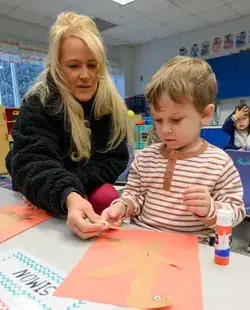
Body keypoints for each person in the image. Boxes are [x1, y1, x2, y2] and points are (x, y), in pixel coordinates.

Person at [5, 12, 131, 240]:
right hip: (44, 183)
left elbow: (114, 159)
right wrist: (68, 194)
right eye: (74, 66)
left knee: (105, 196)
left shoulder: (109, 105)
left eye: (92, 65)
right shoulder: (39, 101)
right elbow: (32, 160)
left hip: (70, 186)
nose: (86, 75)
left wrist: (71, 188)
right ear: (57, 66)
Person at [102, 56, 245, 243]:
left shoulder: (219, 163)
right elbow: (134, 195)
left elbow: (237, 211)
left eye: (176, 120)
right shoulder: (145, 157)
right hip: (142, 242)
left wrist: (211, 209)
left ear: (205, 114)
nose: (165, 129)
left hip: (192, 250)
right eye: (158, 119)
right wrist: (122, 205)